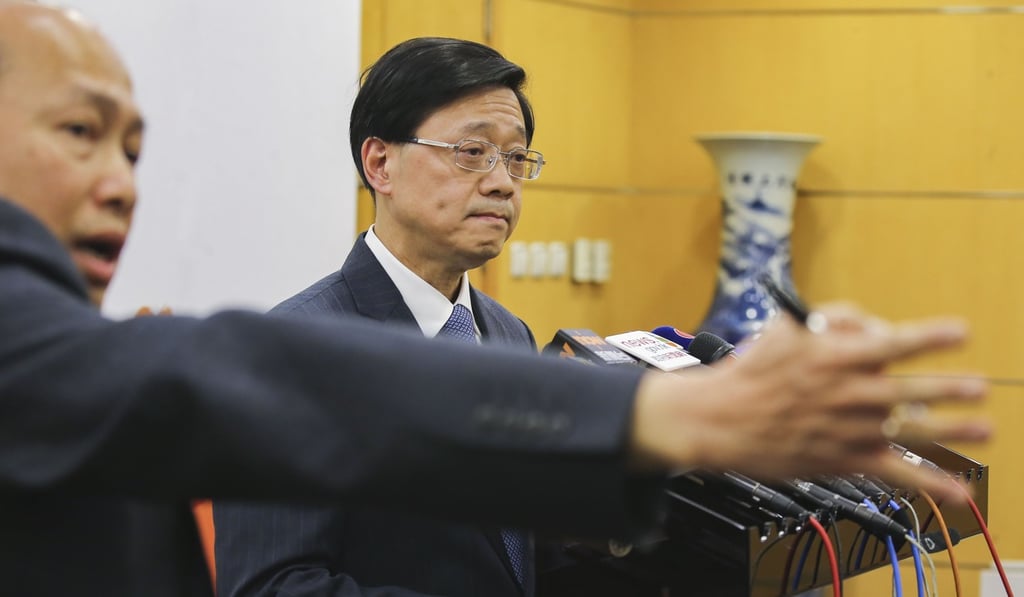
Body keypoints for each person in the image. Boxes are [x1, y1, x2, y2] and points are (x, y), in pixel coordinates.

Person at [0, 3, 990, 596]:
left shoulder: (511, 332)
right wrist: (667, 412)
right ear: (376, 163)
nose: (122, 180)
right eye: (80, 133)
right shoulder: (278, 341)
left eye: (134, 146)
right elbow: (253, 407)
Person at [214, 37, 547, 597]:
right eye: (471, 152)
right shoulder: (292, 351)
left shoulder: (511, 335)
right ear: (380, 163)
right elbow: (271, 585)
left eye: (515, 158)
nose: (502, 182)